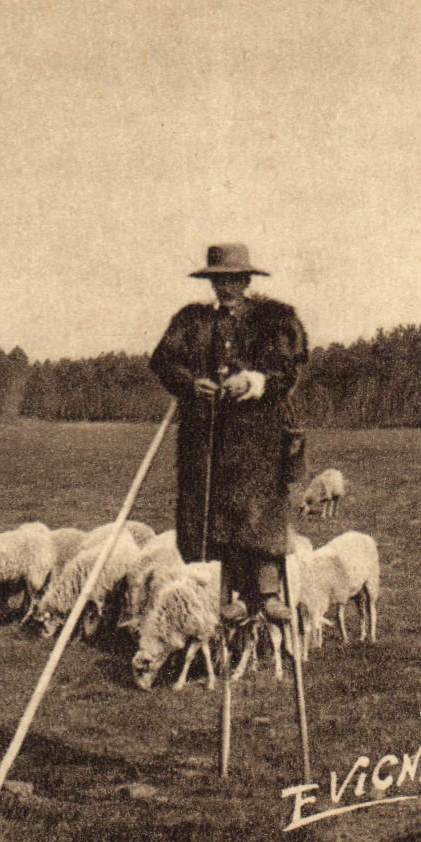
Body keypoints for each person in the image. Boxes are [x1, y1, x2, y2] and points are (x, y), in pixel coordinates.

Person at [149, 243, 308, 629]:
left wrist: (254, 381)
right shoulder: (192, 322)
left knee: (259, 509)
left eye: (234, 280)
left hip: (259, 436)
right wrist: (190, 384)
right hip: (208, 438)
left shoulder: (274, 320)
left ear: (247, 279)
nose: (226, 288)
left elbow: (287, 373)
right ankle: (236, 594)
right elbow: (164, 362)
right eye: (219, 281)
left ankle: (267, 594)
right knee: (219, 517)